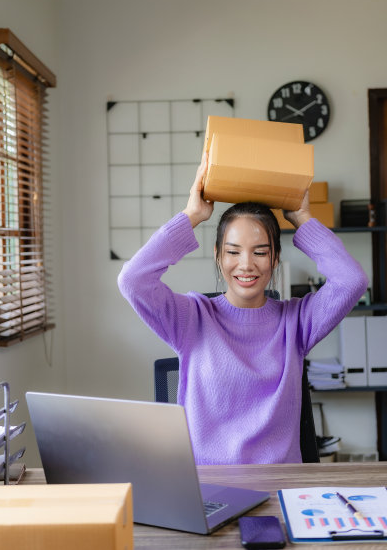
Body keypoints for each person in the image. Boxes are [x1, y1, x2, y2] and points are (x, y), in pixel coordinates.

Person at [118, 153, 368, 464]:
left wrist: (303, 220)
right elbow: (133, 280)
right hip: (210, 488)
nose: (246, 265)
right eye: (233, 252)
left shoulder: (297, 322)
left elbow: (352, 280)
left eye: (260, 252)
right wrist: (191, 215)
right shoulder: (190, 319)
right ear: (218, 257)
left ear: (275, 258)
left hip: (280, 487)